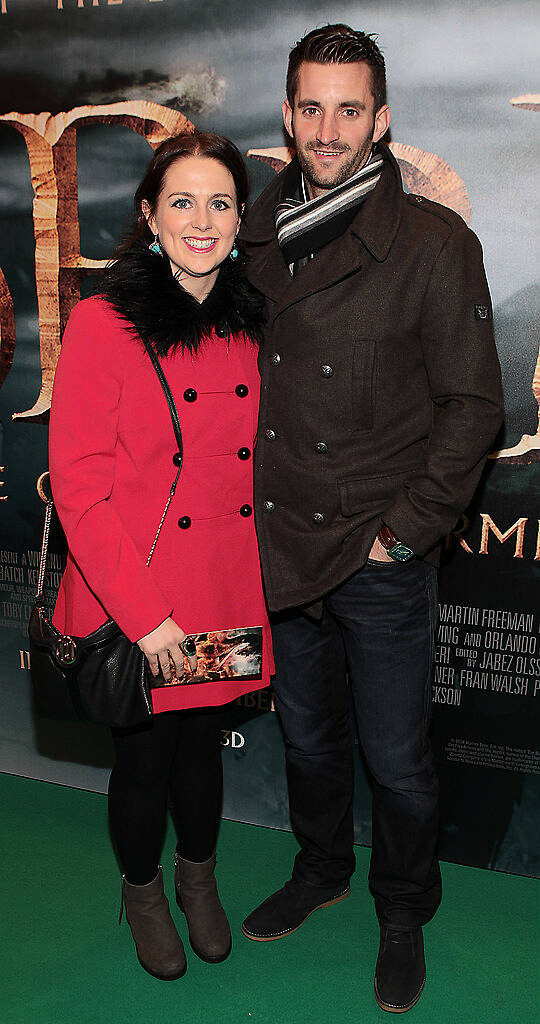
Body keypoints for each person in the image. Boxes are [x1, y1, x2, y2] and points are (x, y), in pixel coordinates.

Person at [240, 24, 504, 1013]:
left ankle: (403, 907)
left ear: (382, 119)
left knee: (395, 759)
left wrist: (401, 533)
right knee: (307, 740)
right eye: (310, 106)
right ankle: (320, 869)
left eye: (350, 108)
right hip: (279, 542)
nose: (328, 126)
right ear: (285, 115)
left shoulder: (433, 243)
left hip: (377, 552)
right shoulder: (251, 235)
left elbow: (475, 406)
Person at [49, 130, 271, 981]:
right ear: (149, 214)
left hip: (220, 588)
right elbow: (79, 487)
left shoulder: (253, 324)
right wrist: (145, 620)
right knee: (144, 760)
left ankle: (198, 880)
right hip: (136, 595)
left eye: (220, 201)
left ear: (239, 219)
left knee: (203, 748)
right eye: (182, 200)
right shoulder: (106, 322)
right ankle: (142, 891)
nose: (202, 219)